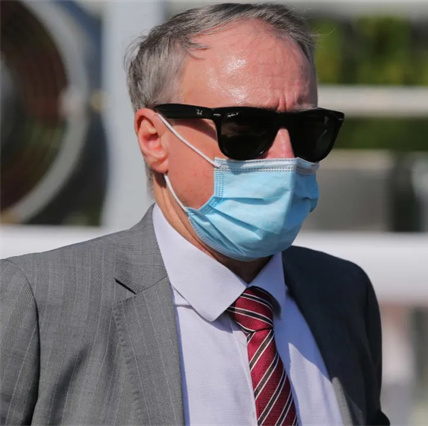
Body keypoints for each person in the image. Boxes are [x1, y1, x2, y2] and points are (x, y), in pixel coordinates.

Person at [0, 3, 388, 425]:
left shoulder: (343, 296)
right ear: (154, 139)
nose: (286, 155)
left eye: (308, 129)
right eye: (244, 128)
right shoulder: (40, 302)